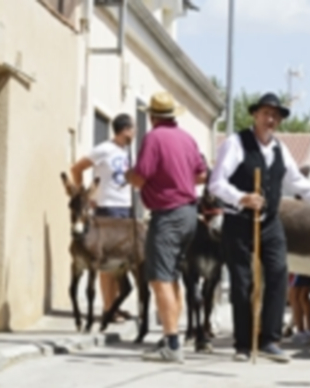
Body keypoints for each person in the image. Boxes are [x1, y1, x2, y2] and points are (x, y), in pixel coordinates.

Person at [209, 92, 310, 363]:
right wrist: (242, 198)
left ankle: (270, 340)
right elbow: (216, 183)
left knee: (279, 274)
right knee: (242, 283)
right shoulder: (236, 143)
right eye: (266, 114)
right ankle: (243, 344)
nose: (270, 119)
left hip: (270, 222)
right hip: (239, 221)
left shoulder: (280, 149)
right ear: (255, 115)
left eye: (275, 116)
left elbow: (298, 183)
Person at [126, 91, 207, 363]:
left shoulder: (154, 138)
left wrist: (129, 176)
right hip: (189, 213)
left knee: (159, 278)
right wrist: (178, 179)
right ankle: (170, 336)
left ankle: (172, 344)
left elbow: (140, 177)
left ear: (152, 117)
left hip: (168, 215)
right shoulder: (187, 138)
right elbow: (201, 174)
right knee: (172, 277)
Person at [68, 113, 135, 323]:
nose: (135, 133)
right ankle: (108, 308)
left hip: (124, 209)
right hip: (107, 209)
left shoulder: (126, 151)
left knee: (119, 261)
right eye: (133, 128)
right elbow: (77, 168)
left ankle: (114, 305)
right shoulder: (104, 149)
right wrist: (85, 197)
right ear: (125, 129)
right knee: (106, 261)